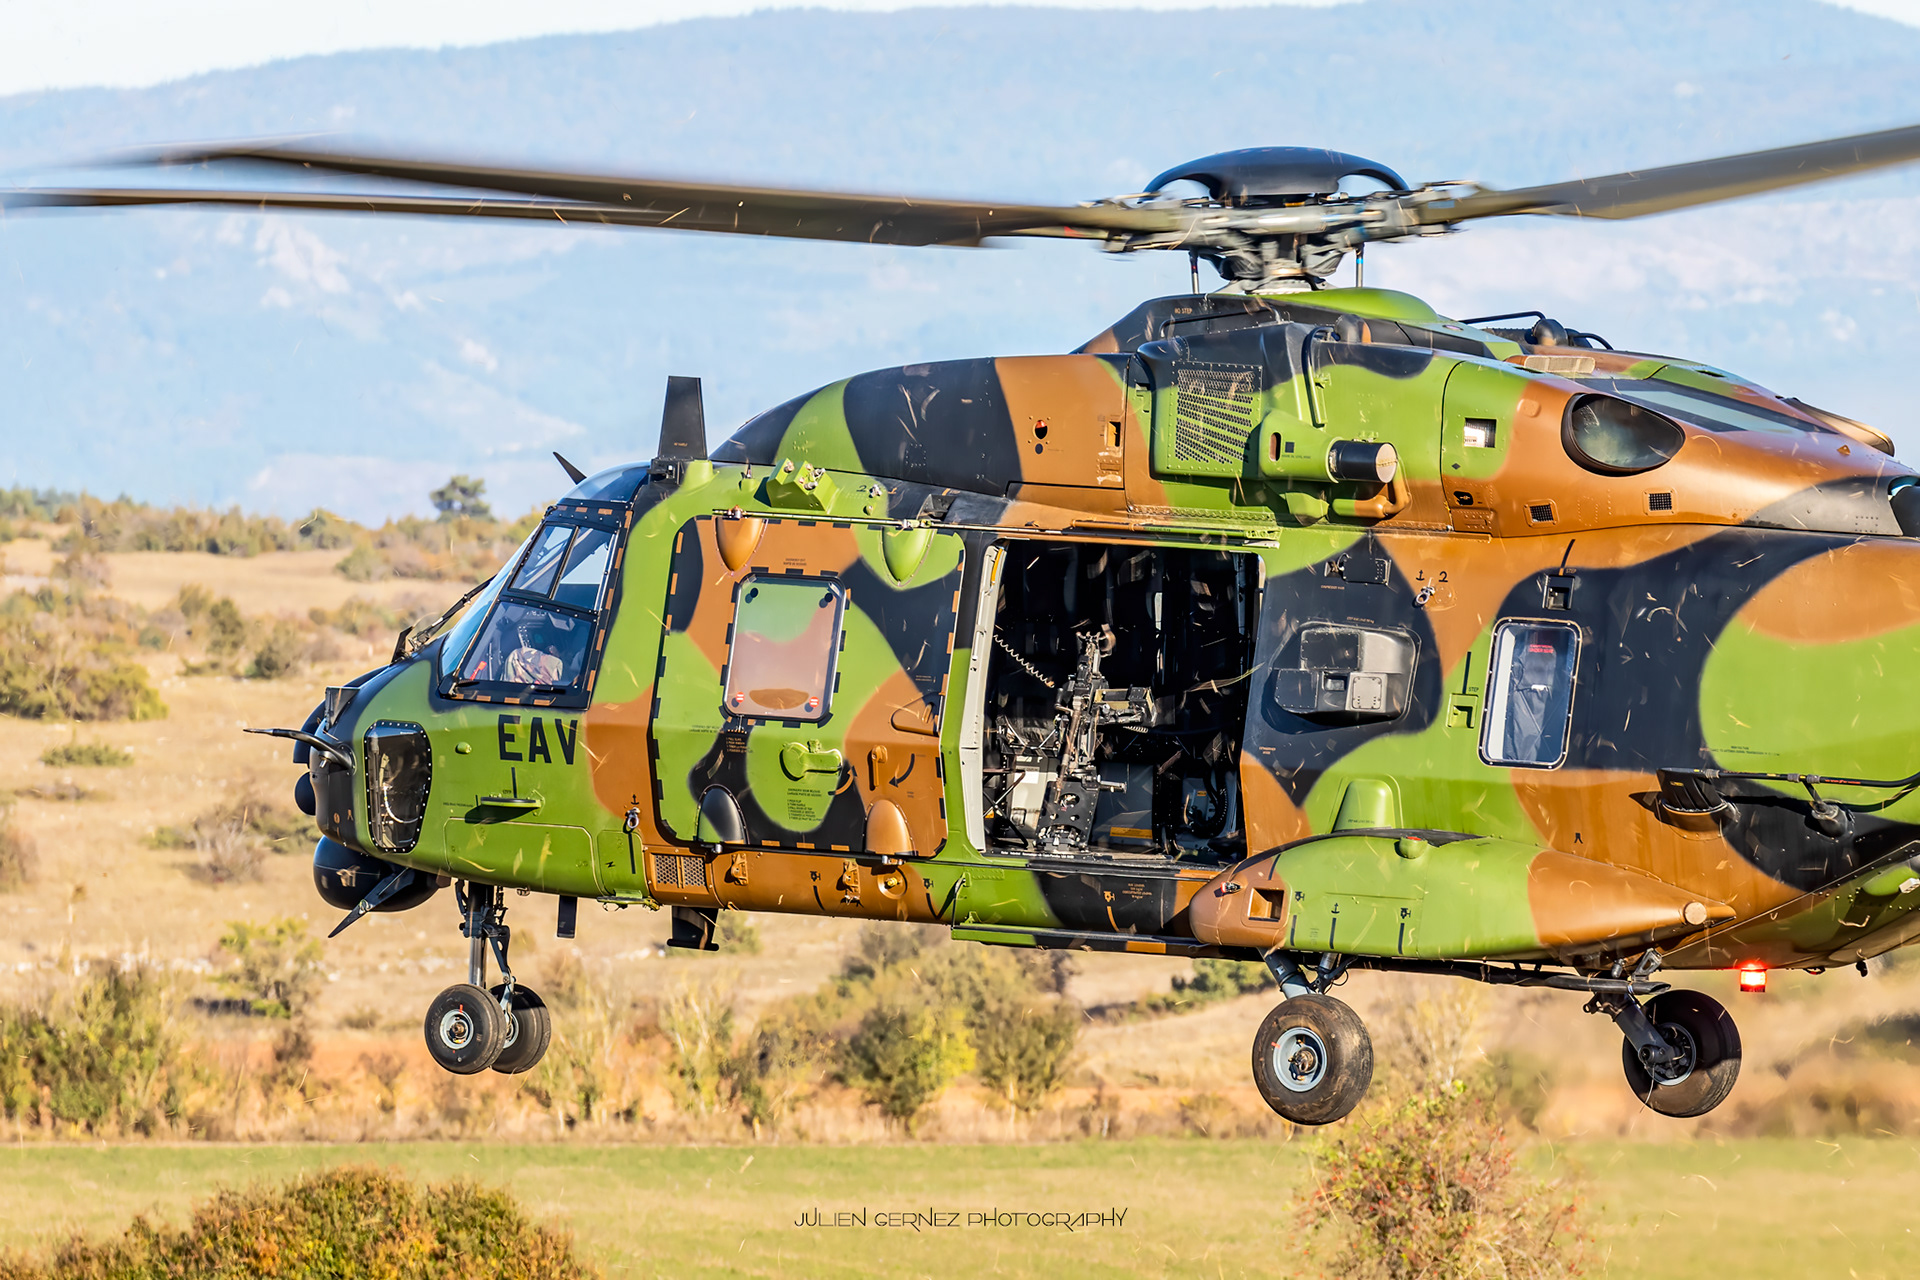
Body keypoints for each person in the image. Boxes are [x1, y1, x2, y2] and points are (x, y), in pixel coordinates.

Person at [504, 614, 565, 685]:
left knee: (516, 656)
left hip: (562, 675)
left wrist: (556, 658)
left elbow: (516, 656)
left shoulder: (517, 657)